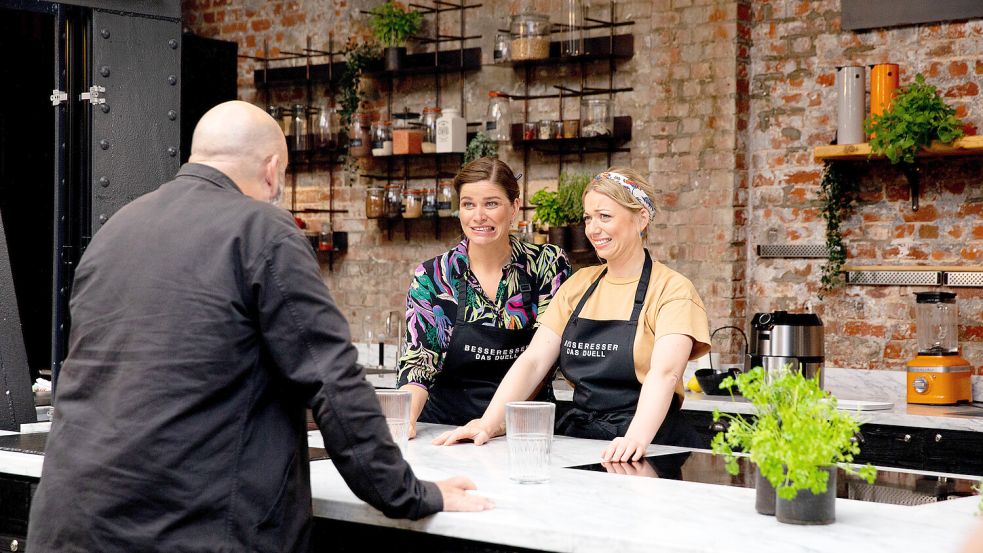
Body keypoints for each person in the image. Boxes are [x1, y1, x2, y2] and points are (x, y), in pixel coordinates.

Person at [26, 101, 491, 553]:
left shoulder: (117, 228)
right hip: (191, 527)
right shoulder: (263, 229)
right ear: (272, 169)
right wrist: (410, 494)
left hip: (70, 519)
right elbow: (333, 381)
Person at [434, 167, 711, 462]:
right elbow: (534, 360)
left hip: (649, 443)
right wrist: (487, 423)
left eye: (605, 216)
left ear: (641, 218)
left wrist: (635, 439)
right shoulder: (579, 285)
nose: (592, 229)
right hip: (581, 438)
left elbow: (665, 373)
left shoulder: (672, 289)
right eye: (589, 218)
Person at [397, 157, 570, 436]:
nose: (478, 216)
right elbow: (420, 363)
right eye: (468, 204)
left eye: (491, 203)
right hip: (448, 430)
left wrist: (496, 424)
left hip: (525, 431)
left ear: (514, 207)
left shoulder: (546, 264)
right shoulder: (434, 275)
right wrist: (404, 420)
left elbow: (544, 357)